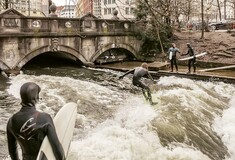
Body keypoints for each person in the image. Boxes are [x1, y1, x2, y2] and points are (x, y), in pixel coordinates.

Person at [6, 82, 65, 160]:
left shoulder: (11, 121)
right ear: (35, 98)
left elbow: (12, 151)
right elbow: (56, 148)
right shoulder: (44, 118)